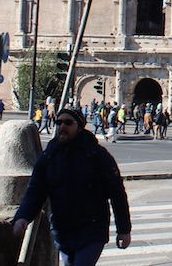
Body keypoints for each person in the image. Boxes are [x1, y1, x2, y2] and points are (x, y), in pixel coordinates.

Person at [12, 108, 132, 265]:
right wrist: (23, 217)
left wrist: (123, 230)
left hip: (92, 230)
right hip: (63, 232)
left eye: (68, 123)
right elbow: (35, 191)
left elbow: (117, 194)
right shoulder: (49, 157)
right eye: (59, 122)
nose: (62, 126)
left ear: (80, 127)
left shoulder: (97, 155)